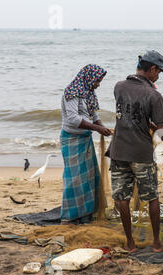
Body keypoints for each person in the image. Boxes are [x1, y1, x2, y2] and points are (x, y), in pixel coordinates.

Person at [107, 50, 163, 253]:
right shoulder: (154, 95)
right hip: (141, 152)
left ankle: (130, 243)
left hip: (118, 150)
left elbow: (125, 113)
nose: (158, 76)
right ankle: (157, 243)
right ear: (152, 69)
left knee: (122, 198)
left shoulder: (119, 87)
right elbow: (161, 133)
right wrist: (153, 127)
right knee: (151, 197)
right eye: (158, 72)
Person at [60, 64, 112, 225]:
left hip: (85, 139)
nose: (98, 84)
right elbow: (73, 119)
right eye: (97, 81)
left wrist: (101, 126)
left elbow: (94, 114)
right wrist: (97, 128)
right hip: (71, 139)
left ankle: (86, 214)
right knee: (74, 178)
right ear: (89, 78)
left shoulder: (89, 93)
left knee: (88, 177)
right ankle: (69, 216)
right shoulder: (72, 92)